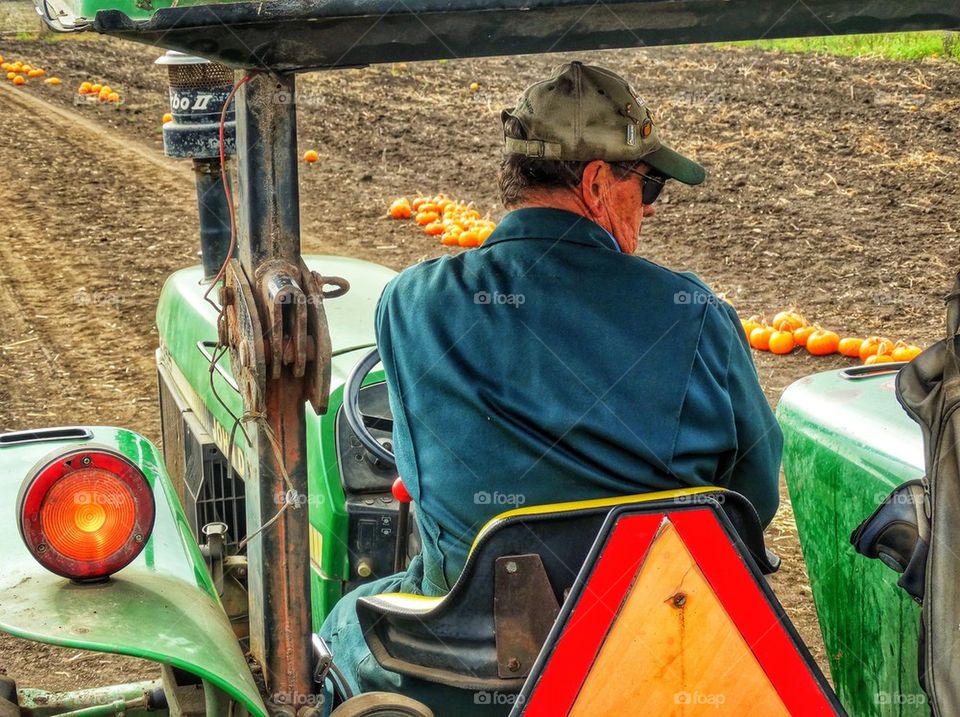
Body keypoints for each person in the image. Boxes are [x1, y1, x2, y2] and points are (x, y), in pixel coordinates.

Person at [321, 60, 782, 714]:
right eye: (647, 186)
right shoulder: (695, 312)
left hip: (478, 671)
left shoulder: (411, 305)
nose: (649, 207)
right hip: (659, 653)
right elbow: (753, 497)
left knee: (340, 621)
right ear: (598, 183)